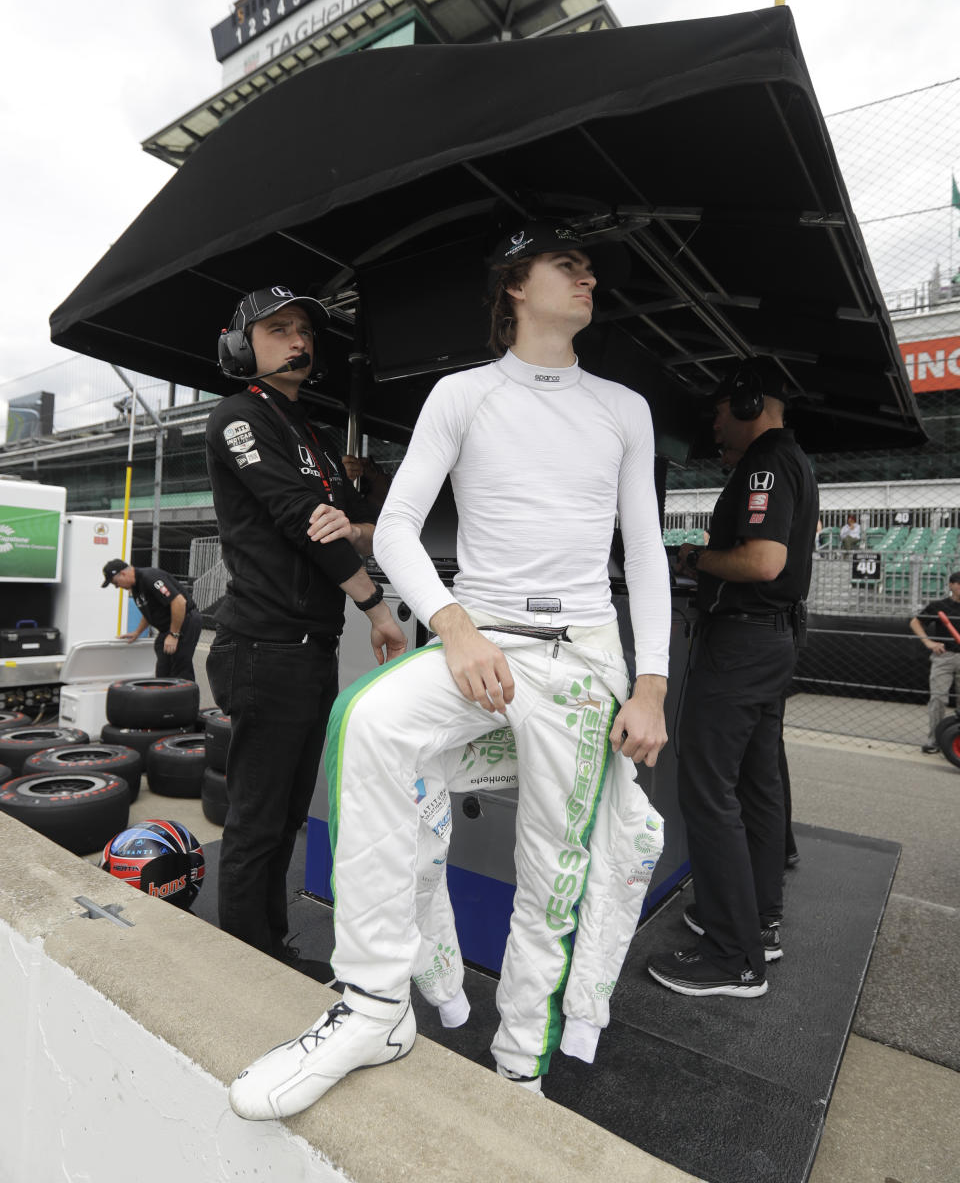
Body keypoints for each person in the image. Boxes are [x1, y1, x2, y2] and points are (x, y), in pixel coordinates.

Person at [228, 220, 672, 1120]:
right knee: (368, 725)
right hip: (481, 635)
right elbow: (393, 528)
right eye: (567, 264)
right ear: (515, 284)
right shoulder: (461, 395)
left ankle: (520, 1071)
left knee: (556, 867)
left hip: (584, 657)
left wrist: (653, 682)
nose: (588, 278)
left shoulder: (626, 407)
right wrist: (457, 627)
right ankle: (376, 1004)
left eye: (590, 268)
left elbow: (648, 552)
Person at [204, 285, 406, 960]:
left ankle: (272, 949)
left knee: (289, 816)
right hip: (264, 648)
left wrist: (361, 506)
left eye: (304, 331)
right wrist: (375, 607)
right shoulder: (239, 417)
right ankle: (246, 966)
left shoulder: (314, 437)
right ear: (242, 346)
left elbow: (356, 528)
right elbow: (306, 525)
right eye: (279, 329)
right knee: (257, 823)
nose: (298, 341)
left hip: (307, 649)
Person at [647, 356, 818, 998]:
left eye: (718, 410)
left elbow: (764, 560)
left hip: (744, 642)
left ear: (747, 403)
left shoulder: (766, 463)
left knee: (709, 786)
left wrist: (694, 556)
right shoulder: (792, 458)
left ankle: (732, 954)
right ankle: (759, 923)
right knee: (756, 783)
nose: (715, 424)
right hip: (771, 642)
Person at [101, 558, 201, 681]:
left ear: (123, 573)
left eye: (115, 583)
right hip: (169, 627)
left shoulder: (150, 578)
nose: (117, 587)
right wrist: (137, 632)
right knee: (163, 667)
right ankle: (165, 697)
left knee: (180, 666)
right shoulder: (136, 586)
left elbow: (179, 602)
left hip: (185, 621)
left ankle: (186, 698)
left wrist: (174, 635)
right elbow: (149, 612)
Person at [908, 572, 960, 753]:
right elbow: (915, 622)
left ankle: (956, 742)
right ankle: (935, 740)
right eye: (959, 584)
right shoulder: (939, 606)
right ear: (951, 585)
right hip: (944, 657)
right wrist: (928, 642)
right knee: (938, 698)